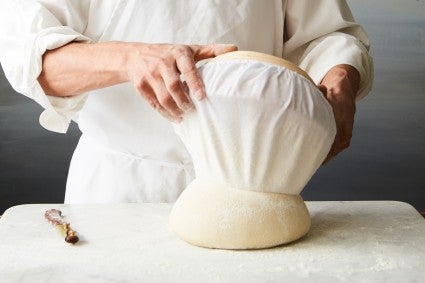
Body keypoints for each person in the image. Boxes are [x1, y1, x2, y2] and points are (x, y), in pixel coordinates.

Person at [0, 0, 373, 203]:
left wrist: (340, 73)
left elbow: (327, 34)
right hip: (119, 190)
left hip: (250, 186)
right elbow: (32, 57)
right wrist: (129, 58)